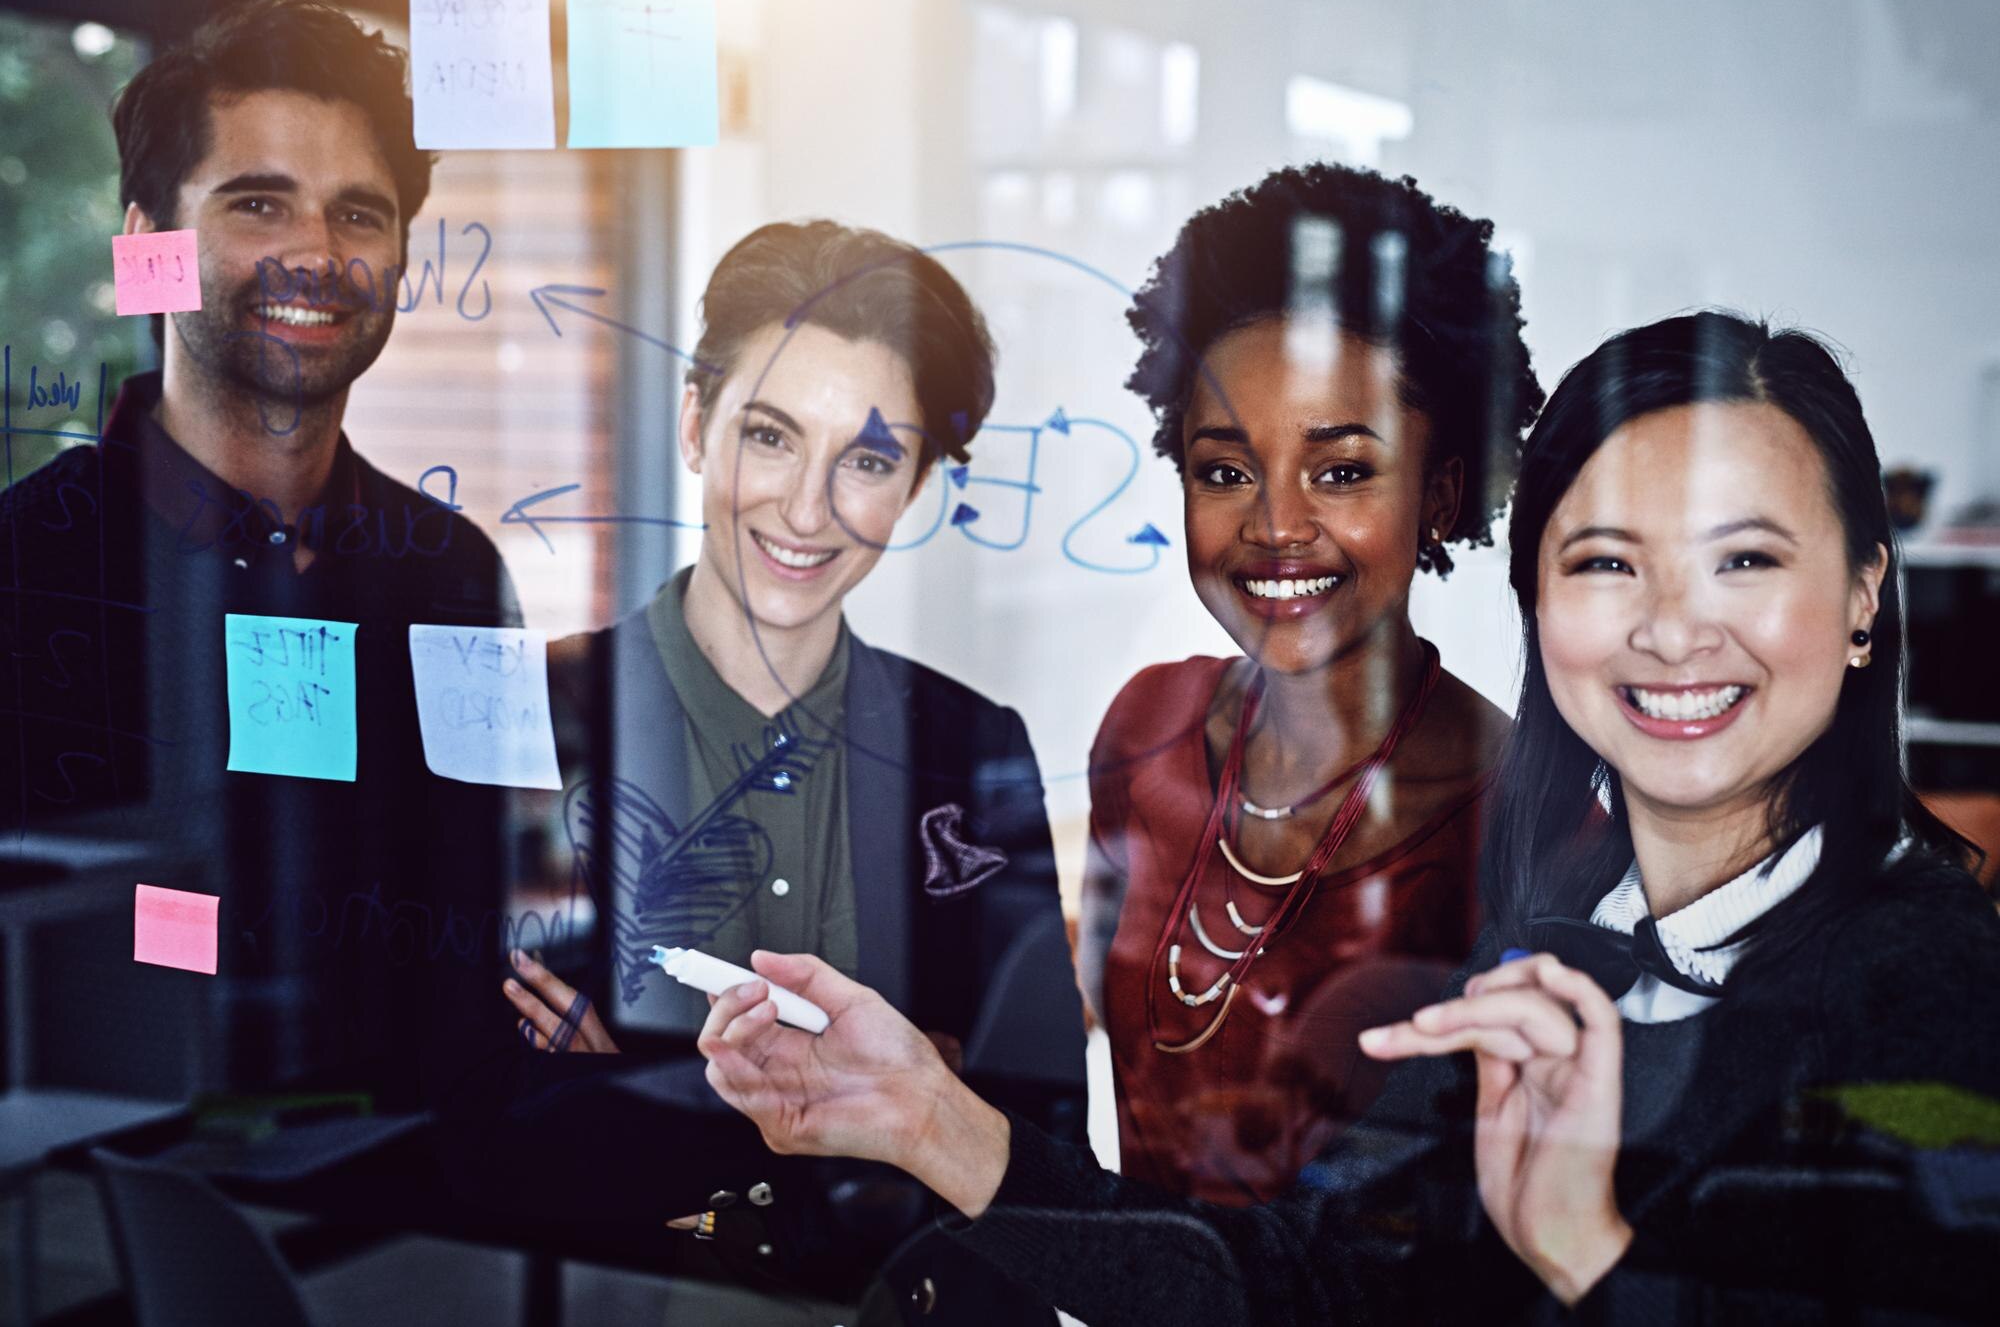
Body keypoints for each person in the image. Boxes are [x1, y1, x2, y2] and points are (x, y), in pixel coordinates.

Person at [696, 311, 2000, 1324]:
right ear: (1540, 603)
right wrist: (926, 1113)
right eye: (1606, 560)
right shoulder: (1547, 957)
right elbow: (1283, 1288)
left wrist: (1588, 1254)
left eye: (1747, 558)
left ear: (1866, 592)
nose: (1671, 627)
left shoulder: (1942, 989)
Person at [439, 220, 1086, 1324]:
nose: (804, 508)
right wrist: (899, 1095)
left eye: (869, 461)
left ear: (916, 484)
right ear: (696, 425)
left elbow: (1037, 1148)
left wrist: (624, 1089)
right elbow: (456, 1132)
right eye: (771, 437)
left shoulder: (971, 747)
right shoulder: (517, 719)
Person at [0, 0, 516, 1105]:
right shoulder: (19, 567)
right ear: (146, 249)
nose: (315, 256)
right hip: (99, 1206)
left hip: (407, 1200)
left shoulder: (455, 575)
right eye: (257, 202)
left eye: (359, 216)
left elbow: (472, 925)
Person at [1076, 163, 1538, 1203]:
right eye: (1224, 471)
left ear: (1441, 491)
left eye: (1340, 472)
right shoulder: (1144, 727)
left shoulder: (1524, 814)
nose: (1274, 526)